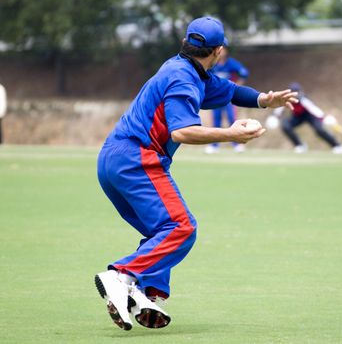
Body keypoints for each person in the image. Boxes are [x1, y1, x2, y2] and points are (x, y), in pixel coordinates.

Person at [94, 16, 297, 331]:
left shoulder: (186, 69)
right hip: (137, 160)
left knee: (161, 231)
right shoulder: (183, 79)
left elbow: (229, 91)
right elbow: (183, 132)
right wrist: (231, 134)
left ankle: (144, 295)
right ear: (218, 51)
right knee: (181, 228)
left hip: (112, 160)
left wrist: (264, 100)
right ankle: (121, 276)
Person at [273, 83, 342, 154]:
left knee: (319, 130)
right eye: (293, 91)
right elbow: (280, 107)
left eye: (297, 91)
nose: (295, 94)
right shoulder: (287, 98)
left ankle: (337, 146)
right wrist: (274, 116)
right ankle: (300, 146)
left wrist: (323, 117)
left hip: (310, 116)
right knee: (285, 125)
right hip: (297, 117)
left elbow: (313, 109)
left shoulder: (303, 98)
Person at [205, 47, 250, 153]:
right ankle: (214, 145)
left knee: (231, 118)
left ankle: (236, 144)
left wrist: (237, 86)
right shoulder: (212, 63)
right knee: (216, 120)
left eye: (224, 49)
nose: (222, 51)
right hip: (215, 97)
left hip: (228, 97)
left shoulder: (231, 63)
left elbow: (244, 73)